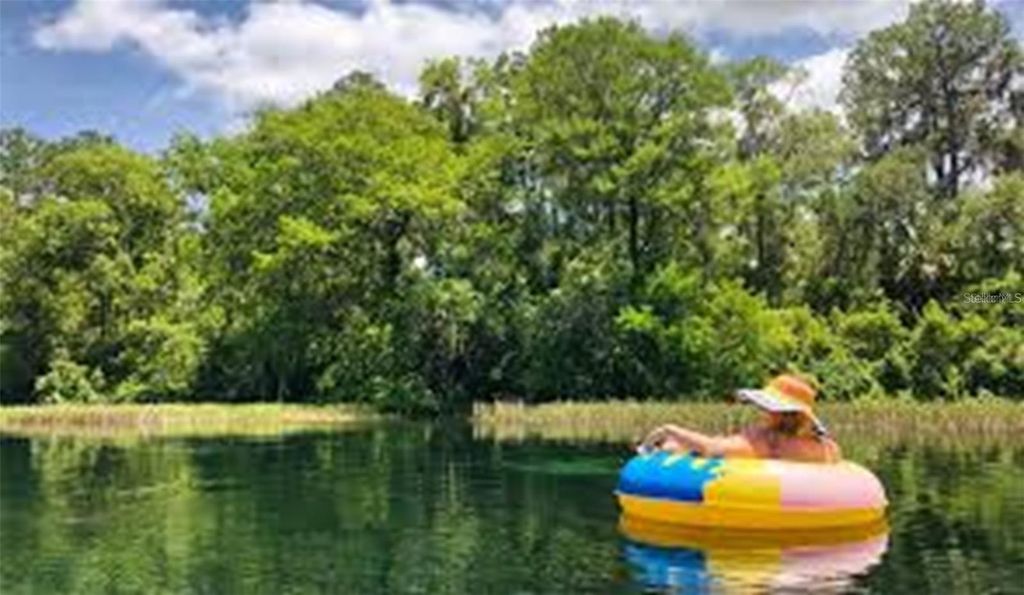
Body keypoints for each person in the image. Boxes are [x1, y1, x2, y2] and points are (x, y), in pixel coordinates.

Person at [638, 374, 842, 463]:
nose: (763, 411)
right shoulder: (825, 448)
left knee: (670, 447)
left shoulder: (765, 439)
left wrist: (669, 429)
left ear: (779, 412)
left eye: (767, 408)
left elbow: (713, 450)